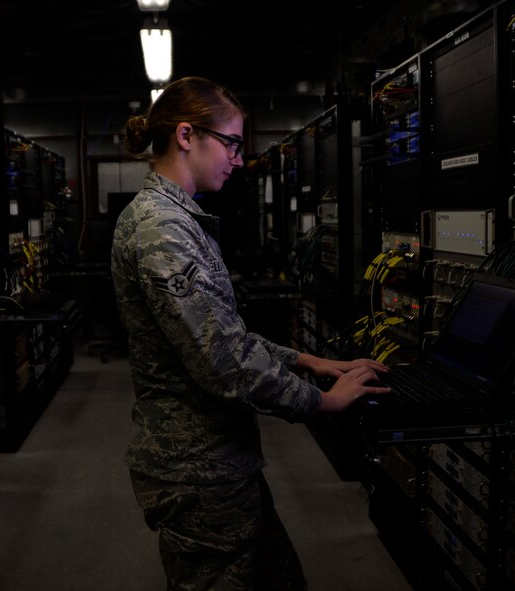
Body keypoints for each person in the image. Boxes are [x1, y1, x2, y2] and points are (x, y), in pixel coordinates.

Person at [111, 76, 390, 591]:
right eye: (233, 144)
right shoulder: (162, 228)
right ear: (188, 135)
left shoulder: (179, 220)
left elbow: (225, 333)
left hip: (219, 459)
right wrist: (322, 402)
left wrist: (305, 360)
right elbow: (222, 361)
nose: (238, 160)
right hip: (197, 470)